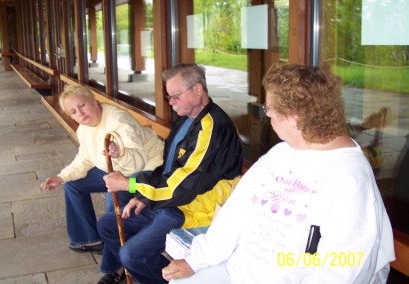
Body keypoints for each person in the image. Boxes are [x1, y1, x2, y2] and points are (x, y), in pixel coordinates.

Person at [162, 63, 395, 284]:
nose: (268, 115)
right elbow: (235, 213)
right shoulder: (281, 153)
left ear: (294, 117)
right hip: (239, 272)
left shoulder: (349, 176)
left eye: (269, 108)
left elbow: (345, 267)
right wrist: (195, 261)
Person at [96, 63, 243, 284]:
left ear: (197, 90)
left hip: (192, 207)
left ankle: (156, 273)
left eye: (175, 96)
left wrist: (131, 185)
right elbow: (169, 170)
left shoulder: (212, 127)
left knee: (131, 254)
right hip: (174, 200)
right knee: (107, 226)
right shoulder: (186, 119)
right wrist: (143, 196)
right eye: (169, 97)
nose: (171, 102)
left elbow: (184, 186)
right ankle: (157, 275)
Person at [40, 85, 164, 253]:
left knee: (113, 195)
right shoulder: (85, 128)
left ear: (94, 101)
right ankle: (90, 239)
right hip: (114, 169)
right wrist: (61, 177)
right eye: (74, 112)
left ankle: (118, 250)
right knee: (73, 184)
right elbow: (85, 158)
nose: (80, 114)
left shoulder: (119, 121)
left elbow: (138, 162)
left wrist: (120, 153)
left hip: (148, 170)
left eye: (82, 105)